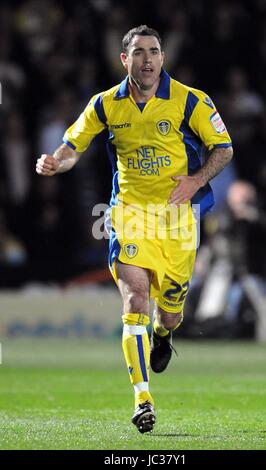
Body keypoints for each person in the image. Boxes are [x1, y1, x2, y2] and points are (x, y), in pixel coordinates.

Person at [36, 25, 233, 433]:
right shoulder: (106, 105)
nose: (148, 59)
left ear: (163, 58)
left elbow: (224, 148)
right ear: (124, 60)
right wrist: (56, 161)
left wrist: (196, 181)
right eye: (139, 52)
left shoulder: (189, 100)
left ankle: (163, 334)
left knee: (172, 312)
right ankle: (142, 398)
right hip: (129, 215)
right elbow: (73, 145)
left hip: (179, 218)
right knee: (135, 296)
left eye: (154, 51)